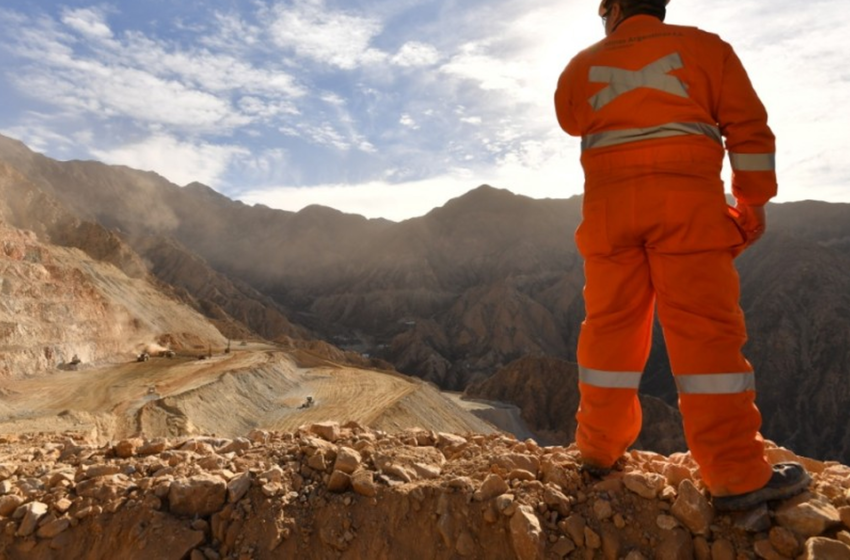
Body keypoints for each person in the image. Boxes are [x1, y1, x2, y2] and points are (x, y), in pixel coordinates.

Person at [553, 0, 810, 511]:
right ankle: (735, 474)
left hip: (609, 216)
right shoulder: (707, 50)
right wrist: (752, 200)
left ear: (615, 9)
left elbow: (569, 118)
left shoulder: (581, 66)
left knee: (609, 330)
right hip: (687, 209)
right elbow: (749, 128)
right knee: (704, 333)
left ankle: (598, 449)